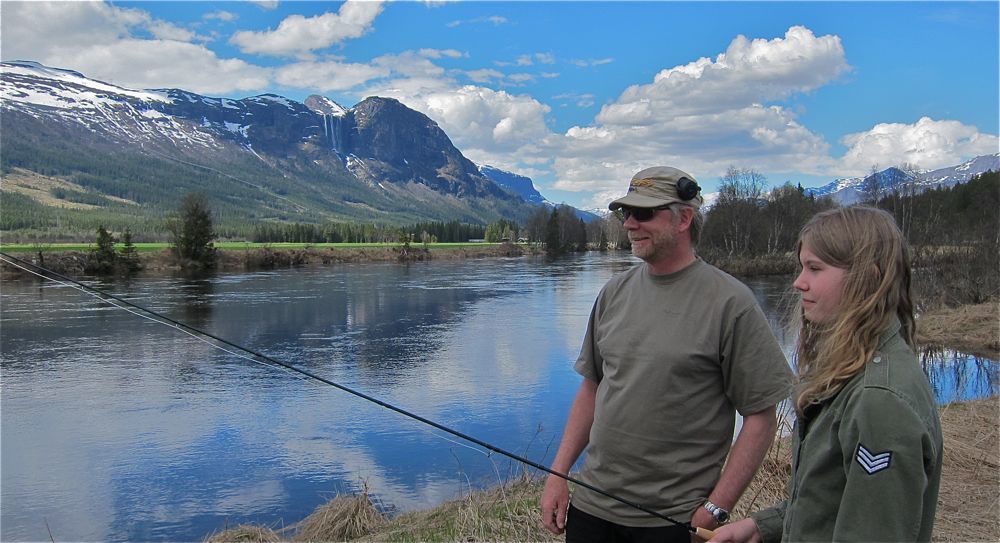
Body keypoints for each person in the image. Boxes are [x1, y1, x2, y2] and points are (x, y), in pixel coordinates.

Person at [540, 166, 793, 543]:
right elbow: (592, 388)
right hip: (592, 508)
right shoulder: (613, 293)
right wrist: (559, 474)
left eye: (643, 213)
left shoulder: (730, 303)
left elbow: (760, 418)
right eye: (625, 213)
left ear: (684, 219)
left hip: (672, 522)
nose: (629, 224)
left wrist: (715, 509)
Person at [709, 206, 944, 543]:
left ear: (870, 278)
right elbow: (833, 501)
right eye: (802, 266)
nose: (798, 282)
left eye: (815, 269)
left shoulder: (880, 400)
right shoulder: (853, 368)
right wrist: (762, 526)